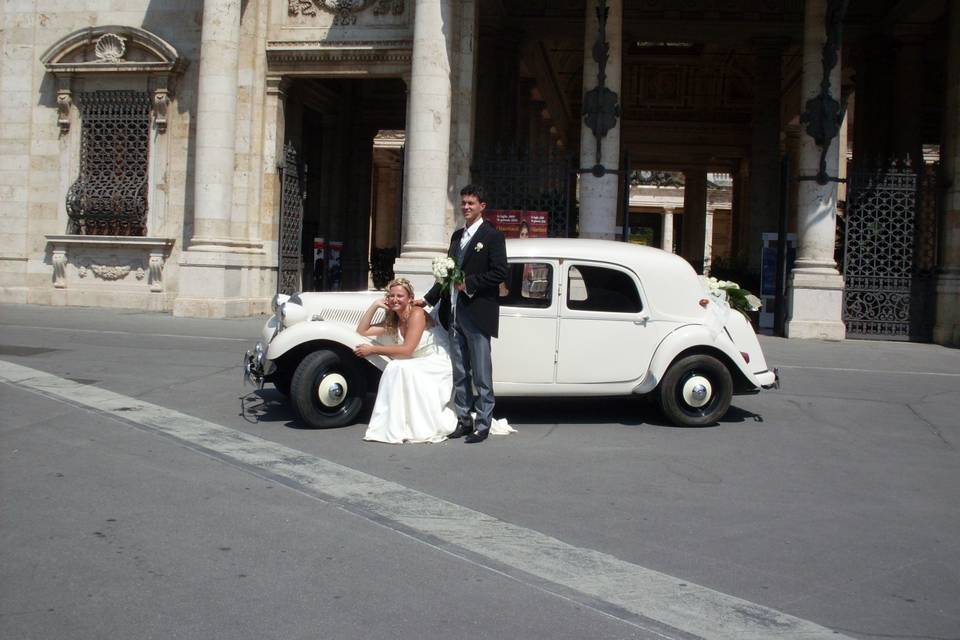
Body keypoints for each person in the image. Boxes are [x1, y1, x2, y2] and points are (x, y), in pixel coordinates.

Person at [422, 184, 509, 443]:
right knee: (460, 370)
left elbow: (500, 272)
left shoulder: (492, 236)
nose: (466, 207)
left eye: (471, 203)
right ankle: (463, 420)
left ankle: (483, 423)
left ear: (482, 206)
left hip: (478, 312)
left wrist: (469, 284)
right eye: (463, 203)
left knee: (481, 372)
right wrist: (427, 299)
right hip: (454, 311)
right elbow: (446, 274)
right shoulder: (456, 236)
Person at [354, 278, 457, 443]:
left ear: (410, 298)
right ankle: (396, 424)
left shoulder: (417, 314)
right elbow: (362, 330)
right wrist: (375, 305)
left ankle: (410, 425)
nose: (395, 299)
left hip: (436, 362)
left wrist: (373, 349)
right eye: (391, 295)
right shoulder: (395, 319)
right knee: (397, 367)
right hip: (418, 361)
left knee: (397, 367)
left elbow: (407, 350)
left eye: (400, 296)